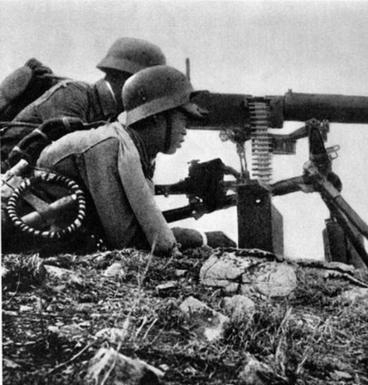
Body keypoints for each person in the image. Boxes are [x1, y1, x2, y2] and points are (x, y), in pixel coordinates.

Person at [35, 65, 235, 256]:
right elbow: (127, 240)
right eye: (183, 119)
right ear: (157, 116)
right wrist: (201, 238)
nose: (185, 130)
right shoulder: (109, 147)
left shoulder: (132, 151)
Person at [1, 37, 167, 171]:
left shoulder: (110, 115)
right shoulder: (73, 94)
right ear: (125, 79)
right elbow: (65, 156)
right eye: (145, 87)